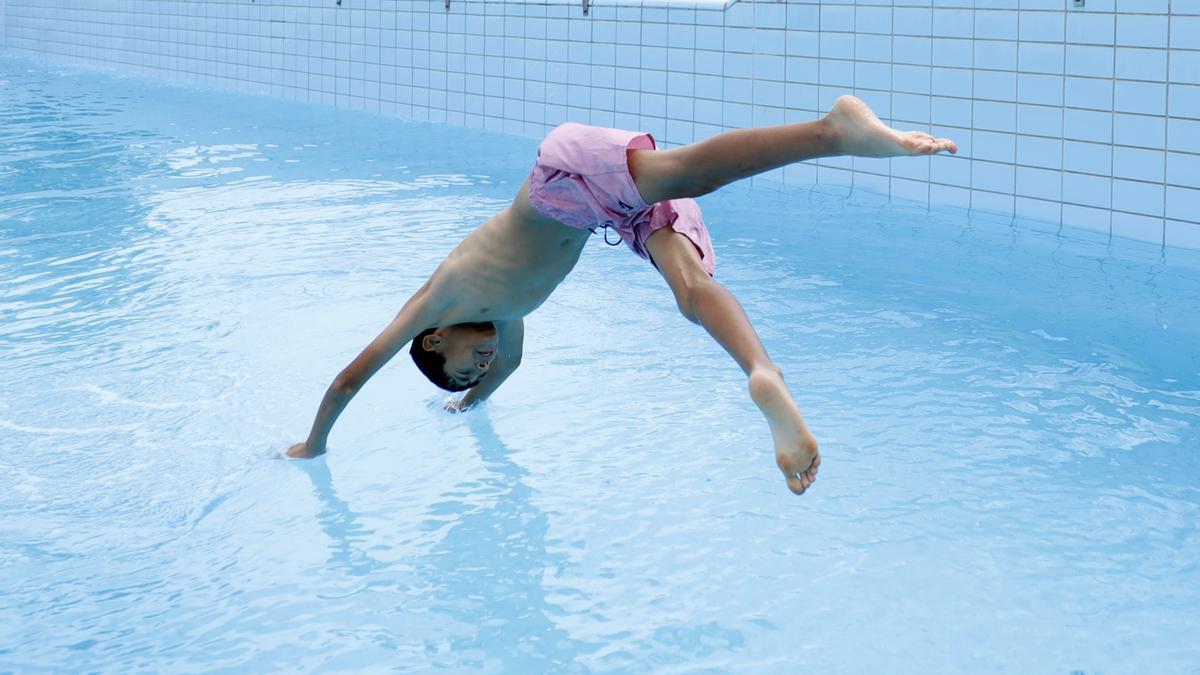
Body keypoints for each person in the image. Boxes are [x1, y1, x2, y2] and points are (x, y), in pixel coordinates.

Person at [286, 95, 957, 496]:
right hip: (602, 216)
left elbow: (350, 377)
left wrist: (313, 445)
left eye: (465, 364)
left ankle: (833, 130)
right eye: (474, 371)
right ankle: (761, 369)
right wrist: (468, 400)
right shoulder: (503, 317)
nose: (481, 363)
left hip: (563, 176)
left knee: (689, 172)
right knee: (691, 289)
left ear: (433, 338)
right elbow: (509, 366)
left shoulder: (437, 301)